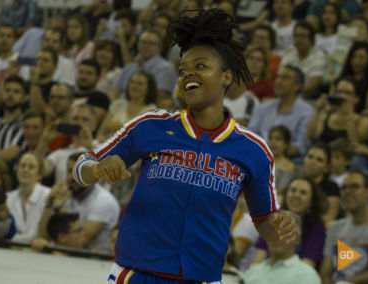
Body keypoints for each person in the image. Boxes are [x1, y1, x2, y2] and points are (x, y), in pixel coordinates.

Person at [74, 9, 297, 283]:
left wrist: (279, 225)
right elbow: (80, 166)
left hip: (202, 277)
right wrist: (97, 169)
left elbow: (264, 220)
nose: (188, 74)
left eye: (200, 66)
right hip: (137, 274)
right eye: (182, 70)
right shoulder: (151, 124)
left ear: (226, 77)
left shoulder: (254, 150)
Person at [253, 178, 327, 268]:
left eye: (303, 193)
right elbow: (259, 258)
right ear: (286, 194)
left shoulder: (317, 227)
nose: (296, 195)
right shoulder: (271, 219)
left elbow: (308, 265)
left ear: (311, 202)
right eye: (293, 190)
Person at [248, 65, 314, 157]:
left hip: (287, 160)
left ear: (297, 86)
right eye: (277, 77)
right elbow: (249, 136)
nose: (278, 81)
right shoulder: (262, 108)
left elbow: (299, 148)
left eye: (285, 78)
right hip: (256, 156)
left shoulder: (306, 112)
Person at [320, 171, 368, 284]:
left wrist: (347, 281)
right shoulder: (335, 229)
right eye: (343, 188)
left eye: (354, 186)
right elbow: (325, 271)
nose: (347, 192)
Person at [245, 213, 321, 284]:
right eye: (271, 231)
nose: (275, 237)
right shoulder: (252, 271)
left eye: (282, 231)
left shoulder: (307, 275)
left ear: (297, 239)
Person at [97, 70, 157, 142]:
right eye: (132, 82)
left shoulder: (152, 110)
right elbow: (100, 133)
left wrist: (121, 129)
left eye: (140, 84)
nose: (135, 86)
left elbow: (146, 139)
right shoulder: (117, 104)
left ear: (149, 89)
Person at [306, 78, 367, 144]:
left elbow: (355, 146)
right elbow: (310, 136)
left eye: (347, 93)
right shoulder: (325, 117)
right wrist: (318, 110)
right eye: (339, 92)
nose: (342, 96)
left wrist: (349, 117)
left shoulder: (362, 121)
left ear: (356, 99)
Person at [6, 152, 50, 242]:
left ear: (39, 174)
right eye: (22, 166)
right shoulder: (7, 198)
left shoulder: (48, 195)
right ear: (17, 170)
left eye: (31, 167)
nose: (25, 170)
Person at [268, 125, 295, 191]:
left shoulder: (288, 165)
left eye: (278, 139)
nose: (273, 142)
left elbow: (281, 190)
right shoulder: (261, 160)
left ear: (286, 144)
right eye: (271, 138)